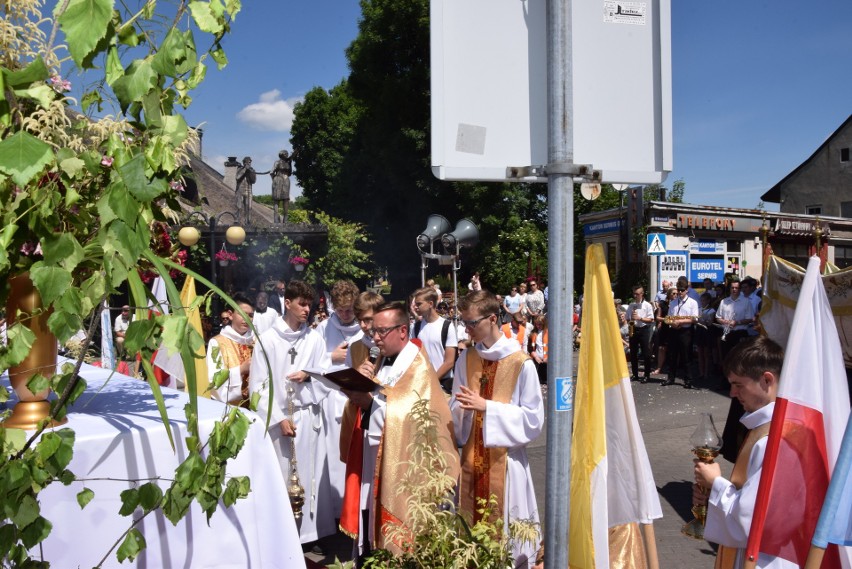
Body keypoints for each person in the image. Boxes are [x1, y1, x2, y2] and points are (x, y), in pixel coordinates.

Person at [343, 303, 460, 560]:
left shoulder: (416, 364)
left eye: (381, 331)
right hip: (374, 460)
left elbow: (414, 413)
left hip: (404, 469)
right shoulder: (379, 360)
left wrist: (370, 403)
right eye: (374, 331)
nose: (374, 337)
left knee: (401, 542)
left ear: (403, 331)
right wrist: (357, 384)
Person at [451, 290, 544, 567]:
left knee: (508, 539)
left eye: (471, 323)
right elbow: (458, 406)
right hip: (470, 458)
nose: (466, 329)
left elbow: (533, 419)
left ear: (492, 319)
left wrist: (487, 407)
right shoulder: (465, 359)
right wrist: (459, 410)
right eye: (464, 323)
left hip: (506, 463)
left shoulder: (520, 363)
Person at [693, 337, 795, 569]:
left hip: (768, 559)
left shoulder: (773, 439)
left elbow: (749, 520)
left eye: (739, 385)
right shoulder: (769, 426)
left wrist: (715, 483)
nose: (732, 393)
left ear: (766, 380)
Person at [248, 280, 334, 544]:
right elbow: (258, 386)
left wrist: (308, 377)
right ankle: (281, 535)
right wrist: (278, 418)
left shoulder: (314, 338)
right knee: (282, 475)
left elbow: (326, 376)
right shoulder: (267, 340)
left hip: (308, 418)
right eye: (302, 304)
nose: (307, 310)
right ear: (287, 303)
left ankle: (309, 534)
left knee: (310, 473)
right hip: (279, 420)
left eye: (310, 305)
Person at [315, 280, 362, 518]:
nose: (345, 315)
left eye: (350, 309)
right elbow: (311, 359)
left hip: (355, 398)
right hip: (330, 397)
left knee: (353, 455)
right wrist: (331, 356)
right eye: (341, 310)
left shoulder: (364, 328)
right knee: (332, 456)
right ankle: (333, 511)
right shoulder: (323, 328)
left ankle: (353, 509)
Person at [206, 295, 254, 406]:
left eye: (250, 315)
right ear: (230, 315)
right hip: (227, 408)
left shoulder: (256, 341)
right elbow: (213, 379)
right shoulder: (217, 343)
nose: (247, 319)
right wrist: (241, 369)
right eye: (242, 314)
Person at [411, 286, 459, 393]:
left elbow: (449, 362)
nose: (415, 307)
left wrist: (431, 381)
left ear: (430, 304)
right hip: (421, 383)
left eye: (419, 304)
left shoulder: (447, 326)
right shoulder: (417, 327)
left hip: (443, 384)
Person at [665, 281, 699, 388]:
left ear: (686, 290)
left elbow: (694, 318)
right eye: (678, 290)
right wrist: (672, 323)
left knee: (686, 356)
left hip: (686, 331)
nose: (680, 292)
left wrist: (681, 322)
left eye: (682, 290)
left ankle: (688, 380)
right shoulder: (674, 302)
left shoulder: (692, 302)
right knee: (672, 356)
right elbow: (668, 318)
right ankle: (671, 378)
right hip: (674, 331)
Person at [626, 285, 655, 383]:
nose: (635, 296)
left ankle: (647, 375)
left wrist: (640, 318)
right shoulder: (631, 305)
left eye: (637, 294)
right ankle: (635, 374)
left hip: (644, 329)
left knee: (646, 353)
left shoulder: (647, 305)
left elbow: (651, 319)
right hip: (633, 328)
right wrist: (631, 320)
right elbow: (627, 318)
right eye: (634, 293)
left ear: (642, 294)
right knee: (633, 353)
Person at [270, 150, 293, 223]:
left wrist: (290, 163)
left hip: (286, 180)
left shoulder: (288, 163)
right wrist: (275, 180)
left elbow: (289, 173)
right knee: (276, 199)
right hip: (278, 180)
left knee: (286, 199)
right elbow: (272, 172)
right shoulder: (277, 162)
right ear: (281, 154)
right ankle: (276, 219)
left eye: (287, 153)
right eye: (285, 153)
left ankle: (285, 219)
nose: (287, 154)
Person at [235, 156, 256, 225]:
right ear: (244, 163)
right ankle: (237, 221)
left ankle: (248, 222)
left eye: (250, 162)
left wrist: (250, 172)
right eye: (247, 162)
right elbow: (237, 178)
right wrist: (244, 170)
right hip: (240, 190)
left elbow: (253, 181)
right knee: (239, 207)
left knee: (249, 207)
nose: (249, 164)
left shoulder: (252, 170)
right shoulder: (240, 169)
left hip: (248, 190)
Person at [529, 314, 548, 385]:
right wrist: (536, 357)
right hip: (537, 360)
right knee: (538, 380)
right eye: (536, 324)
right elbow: (530, 348)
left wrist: (547, 357)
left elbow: (553, 347)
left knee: (546, 380)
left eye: (540, 324)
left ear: (544, 324)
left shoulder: (549, 333)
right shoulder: (533, 334)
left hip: (547, 361)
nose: (538, 326)